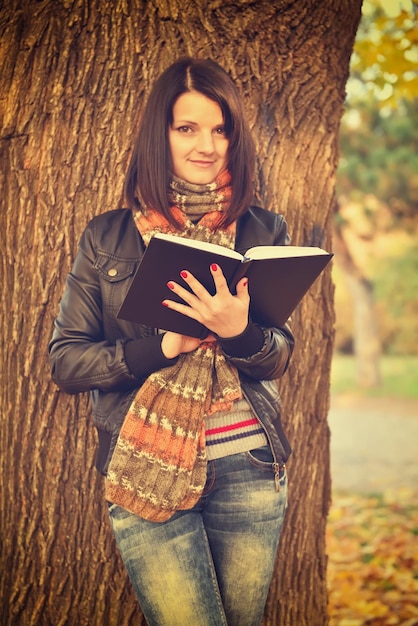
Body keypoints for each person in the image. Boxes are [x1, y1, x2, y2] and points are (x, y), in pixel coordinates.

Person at [49, 57, 295, 626]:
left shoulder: (264, 229)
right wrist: (163, 348)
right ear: (159, 135)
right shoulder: (108, 235)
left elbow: (279, 354)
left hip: (250, 464)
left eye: (220, 129)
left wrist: (240, 332)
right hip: (144, 467)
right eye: (187, 128)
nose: (207, 145)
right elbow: (66, 362)